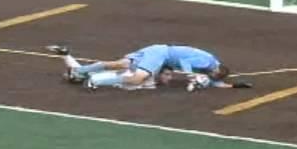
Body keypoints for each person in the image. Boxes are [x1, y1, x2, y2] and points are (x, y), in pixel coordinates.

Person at [45, 44, 252, 92]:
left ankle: (80, 72)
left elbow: (216, 82)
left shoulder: (213, 68)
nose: (212, 76)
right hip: (160, 54)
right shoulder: (207, 62)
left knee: (119, 64)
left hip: (158, 50)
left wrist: (234, 87)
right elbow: (189, 65)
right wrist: (191, 77)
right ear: (216, 69)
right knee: (136, 79)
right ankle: (93, 80)